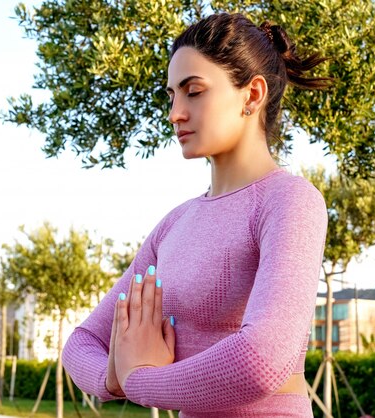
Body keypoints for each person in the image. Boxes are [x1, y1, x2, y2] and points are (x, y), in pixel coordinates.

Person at [62, 12, 330, 418]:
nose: (175, 113)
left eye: (194, 91)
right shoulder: (174, 224)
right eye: (172, 95)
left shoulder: (289, 201)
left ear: (252, 95)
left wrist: (138, 380)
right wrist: (114, 379)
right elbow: (81, 344)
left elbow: (261, 361)